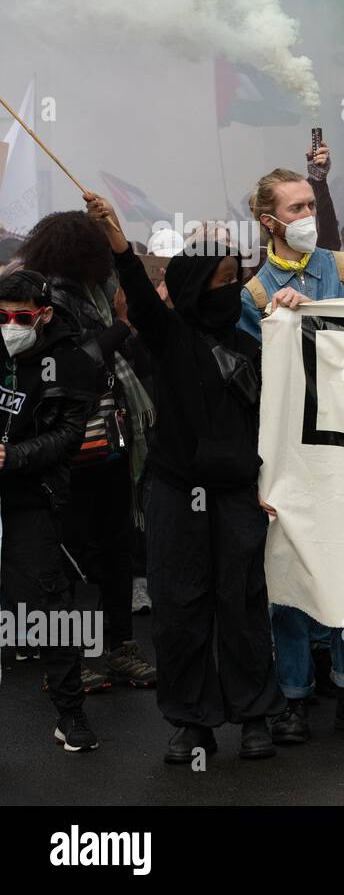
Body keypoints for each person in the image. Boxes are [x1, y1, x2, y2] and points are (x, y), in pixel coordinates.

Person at [86, 192, 285, 762]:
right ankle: (192, 721)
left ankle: (253, 715)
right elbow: (145, 300)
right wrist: (119, 241)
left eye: (237, 278)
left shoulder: (254, 346)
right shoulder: (169, 338)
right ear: (198, 284)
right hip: (177, 493)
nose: (232, 289)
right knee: (180, 607)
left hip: (239, 495)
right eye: (223, 279)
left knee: (243, 604)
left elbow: (277, 424)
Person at [237, 167, 344, 745]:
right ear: (269, 221)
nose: (309, 217)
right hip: (290, 461)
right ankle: (295, 698)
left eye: (311, 206)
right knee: (291, 578)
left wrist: (318, 322)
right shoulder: (252, 296)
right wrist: (279, 328)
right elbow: (254, 385)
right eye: (297, 208)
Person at [15, 211, 158, 692]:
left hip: (109, 443)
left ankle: (120, 646)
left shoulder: (94, 292)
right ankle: (68, 662)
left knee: (116, 548)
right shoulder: (49, 299)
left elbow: (124, 360)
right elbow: (81, 364)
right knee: (68, 557)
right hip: (67, 448)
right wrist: (120, 325)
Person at [0, 269, 100, 751]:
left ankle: (71, 714)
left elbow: (68, 437)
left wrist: (12, 457)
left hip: (31, 498)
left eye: (20, 317)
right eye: (1, 316)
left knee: (51, 610)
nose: (10, 325)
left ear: (44, 315)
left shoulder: (70, 362)